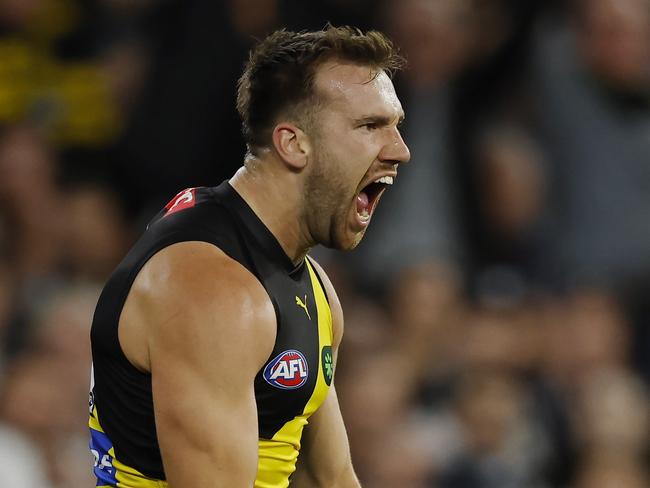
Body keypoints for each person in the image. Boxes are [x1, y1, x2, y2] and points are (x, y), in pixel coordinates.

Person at [88, 25, 410, 487]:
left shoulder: (311, 288)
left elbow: (334, 478)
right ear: (293, 143)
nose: (400, 150)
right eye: (370, 126)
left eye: (396, 125)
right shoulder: (210, 291)